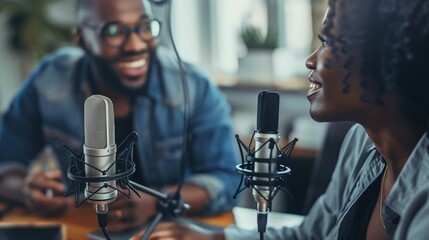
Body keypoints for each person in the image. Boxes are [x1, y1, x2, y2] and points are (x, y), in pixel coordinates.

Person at [131, 0, 429, 239]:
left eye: (326, 41)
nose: (310, 60)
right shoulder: (361, 142)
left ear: (378, 58)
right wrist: (213, 239)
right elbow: (312, 234)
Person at [0, 0, 239, 234]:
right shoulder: (49, 80)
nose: (135, 45)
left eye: (144, 27)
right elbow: (5, 162)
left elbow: (226, 180)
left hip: (172, 230)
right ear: (81, 38)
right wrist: (25, 190)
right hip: (84, 225)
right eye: (113, 31)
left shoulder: (194, 85)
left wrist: (155, 202)